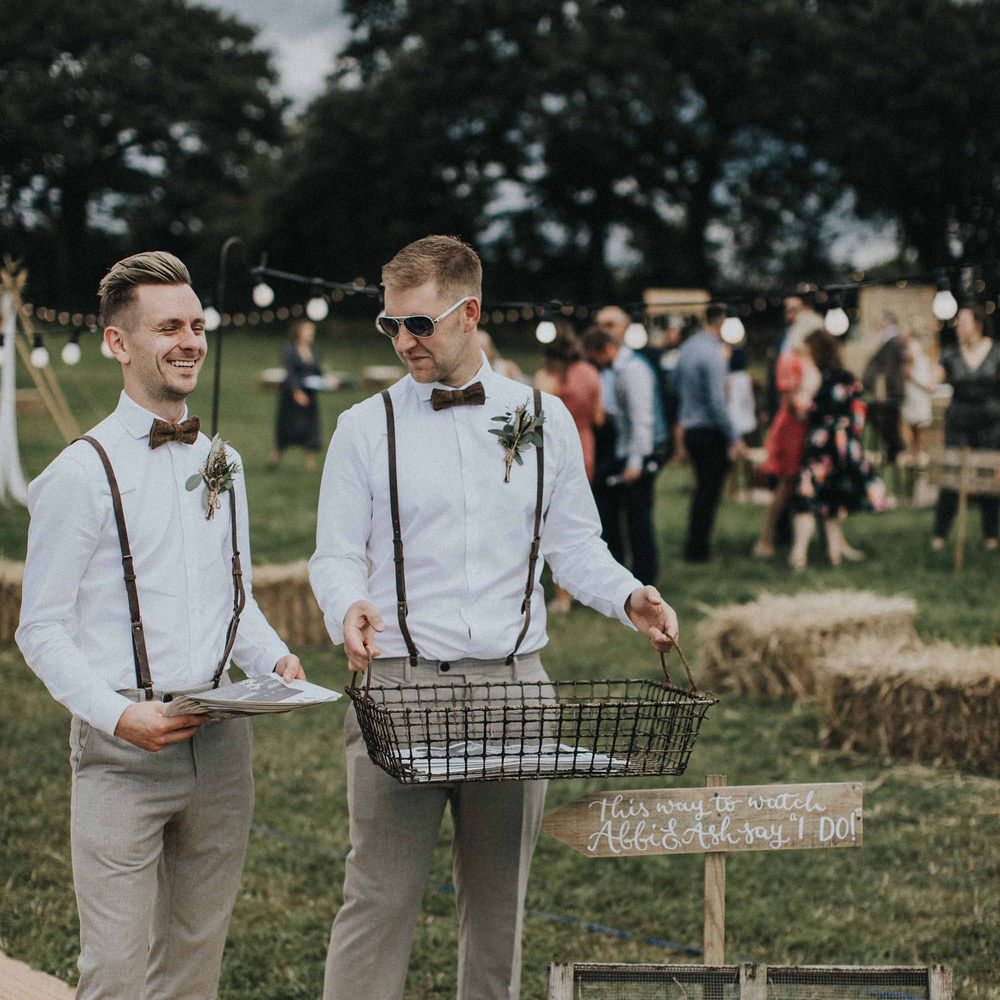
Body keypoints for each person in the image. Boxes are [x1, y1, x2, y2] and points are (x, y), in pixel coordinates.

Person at [309, 235, 679, 1000]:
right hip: (400, 690)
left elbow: (575, 544)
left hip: (515, 693)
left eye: (419, 324)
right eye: (390, 326)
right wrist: (346, 605)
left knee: (498, 908)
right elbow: (334, 555)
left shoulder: (541, 418)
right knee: (377, 900)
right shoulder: (361, 428)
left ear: (469, 312)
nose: (403, 340)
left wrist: (628, 595)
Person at [15, 251, 305, 1000]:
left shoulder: (223, 462)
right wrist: (118, 716)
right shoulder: (81, 473)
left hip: (221, 745)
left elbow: (233, 597)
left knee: (193, 962)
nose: (190, 341)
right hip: (122, 753)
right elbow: (39, 629)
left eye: (196, 324)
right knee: (113, 971)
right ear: (118, 343)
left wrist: (275, 660)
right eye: (168, 327)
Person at [789, 329, 887, 569]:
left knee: (807, 500)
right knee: (833, 503)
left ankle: (799, 554)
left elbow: (802, 410)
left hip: (820, 448)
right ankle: (834, 556)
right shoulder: (847, 378)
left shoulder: (814, 376)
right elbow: (859, 415)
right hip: (843, 448)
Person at [582, 326, 662, 584]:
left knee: (638, 517)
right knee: (614, 511)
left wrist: (635, 462)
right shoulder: (618, 369)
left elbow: (642, 420)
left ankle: (645, 575)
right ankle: (619, 572)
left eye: (595, 359)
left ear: (606, 350)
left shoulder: (633, 371)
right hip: (624, 450)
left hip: (641, 453)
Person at [534, 329, 604, 612]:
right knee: (575, 515)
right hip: (585, 444)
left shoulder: (547, 378)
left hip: (555, 446)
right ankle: (581, 586)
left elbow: (535, 416)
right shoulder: (590, 373)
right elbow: (599, 416)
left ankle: (563, 596)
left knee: (554, 520)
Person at [674, 304, 743, 562]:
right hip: (709, 429)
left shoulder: (687, 348)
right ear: (721, 323)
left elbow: (675, 386)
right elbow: (717, 400)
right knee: (709, 492)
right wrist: (733, 436)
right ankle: (698, 550)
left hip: (690, 427)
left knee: (701, 489)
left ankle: (695, 546)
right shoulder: (713, 353)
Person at [930, 303, 1000, 552]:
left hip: (991, 423)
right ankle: (940, 534)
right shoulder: (950, 354)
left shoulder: (997, 351)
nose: (958, 326)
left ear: (978, 325)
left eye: (963, 322)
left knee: (990, 479)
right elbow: (931, 382)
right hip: (958, 422)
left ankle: (991, 535)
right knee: (951, 477)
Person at [753, 330, 820, 558]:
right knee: (786, 483)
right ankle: (765, 538)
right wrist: (805, 416)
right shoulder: (790, 359)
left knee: (803, 484)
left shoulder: (808, 359)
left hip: (806, 427)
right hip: (793, 428)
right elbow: (789, 397)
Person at [268, 317, 323, 471]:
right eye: (307, 331)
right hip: (292, 397)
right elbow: (290, 373)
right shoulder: (290, 349)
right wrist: (296, 392)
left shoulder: (312, 350)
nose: (310, 334)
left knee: (310, 429)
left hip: (310, 395)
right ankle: (274, 460)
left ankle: (310, 465)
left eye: (312, 331)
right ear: (298, 332)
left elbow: (317, 370)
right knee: (287, 428)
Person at [862, 311, 907, 467]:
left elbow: (891, 368)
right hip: (886, 393)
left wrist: (882, 389)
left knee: (889, 428)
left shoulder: (894, 342)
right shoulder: (888, 342)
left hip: (889, 393)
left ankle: (894, 455)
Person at [901, 323, 934, 461]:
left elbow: (908, 370)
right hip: (916, 390)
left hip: (917, 390)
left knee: (916, 425)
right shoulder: (914, 348)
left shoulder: (913, 347)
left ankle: (915, 452)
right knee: (915, 424)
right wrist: (923, 385)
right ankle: (914, 452)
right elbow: (908, 371)